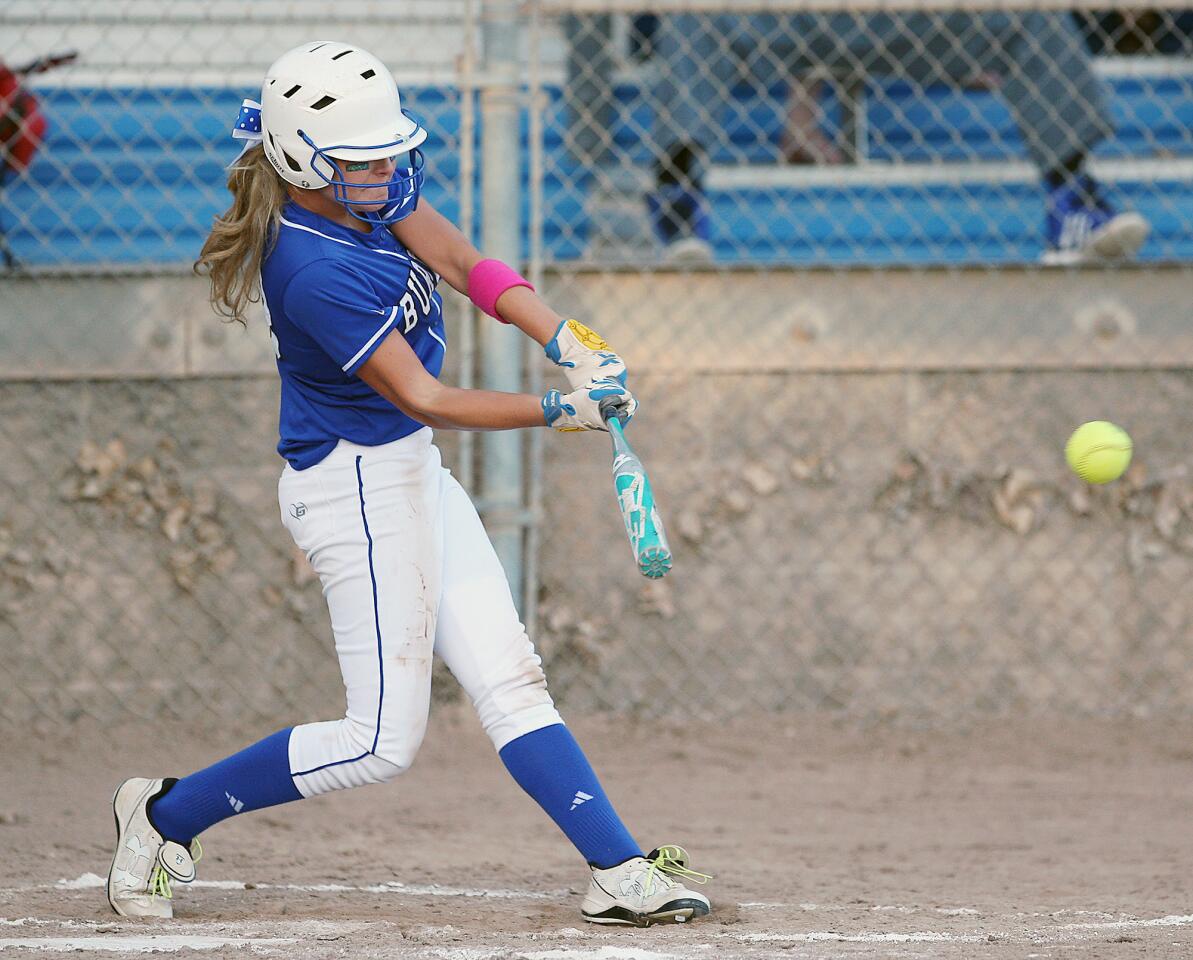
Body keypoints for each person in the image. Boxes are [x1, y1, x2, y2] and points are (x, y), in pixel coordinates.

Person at [104, 41, 711, 929]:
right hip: (352, 490)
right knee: (380, 742)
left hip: (406, 469)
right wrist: (556, 411)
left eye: (387, 151)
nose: (386, 171)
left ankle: (618, 868)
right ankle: (162, 818)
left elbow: (467, 268)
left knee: (511, 679)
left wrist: (567, 337)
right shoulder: (312, 267)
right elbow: (424, 395)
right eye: (361, 159)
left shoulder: (370, 193)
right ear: (304, 164)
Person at [648, 11, 1151, 265]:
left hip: (906, 18)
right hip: (797, 18)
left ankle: (1073, 204)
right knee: (693, 14)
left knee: (1032, 13)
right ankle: (680, 202)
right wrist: (801, 108)